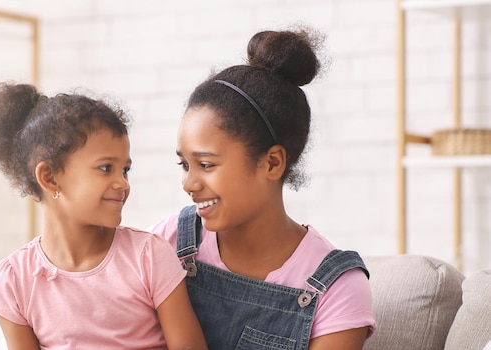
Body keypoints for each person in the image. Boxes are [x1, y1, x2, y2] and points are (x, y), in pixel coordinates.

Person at [149, 28, 376, 349]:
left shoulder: (336, 288)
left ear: (271, 163)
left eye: (207, 164)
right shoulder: (166, 242)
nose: (189, 184)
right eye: (185, 165)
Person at [0, 83, 207, 350]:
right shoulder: (14, 281)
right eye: (106, 168)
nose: (122, 183)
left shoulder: (149, 256)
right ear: (49, 177)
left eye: (124, 170)